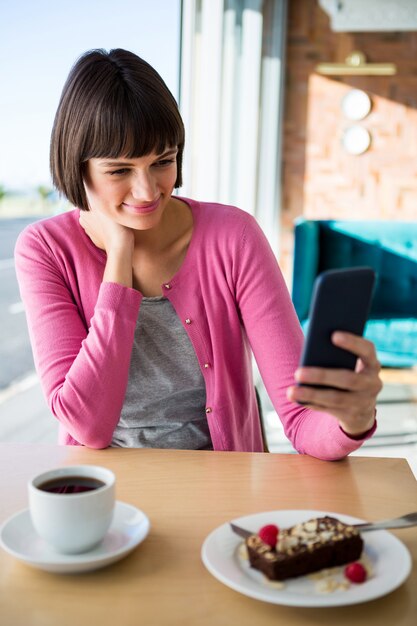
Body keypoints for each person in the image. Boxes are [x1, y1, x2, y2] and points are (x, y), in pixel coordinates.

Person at [14, 48, 382, 459]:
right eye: (119, 171)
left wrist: (352, 418)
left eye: (163, 161)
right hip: (100, 492)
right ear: (77, 167)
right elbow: (87, 425)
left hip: (222, 483)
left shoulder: (233, 236)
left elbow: (301, 421)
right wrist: (119, 256)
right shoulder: (44, 250)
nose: (148, 191)